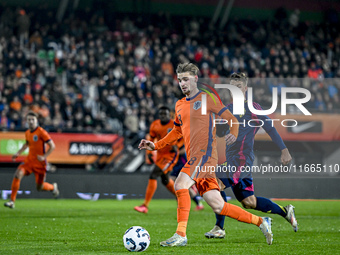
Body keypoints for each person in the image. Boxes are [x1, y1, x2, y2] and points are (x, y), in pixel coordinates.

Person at [138, 63, 273, 247]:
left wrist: (233, 133)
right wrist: (155, 145)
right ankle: (261, 222)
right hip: (198, 159)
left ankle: (180, 234)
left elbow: (231, 119)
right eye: (179, 80)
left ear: (195, 79)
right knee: (218, 205)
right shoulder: (179, 105)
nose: (182, 83)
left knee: (180, 184)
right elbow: (176, 132)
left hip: (205, 155)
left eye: (186, 79)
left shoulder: (207, 99)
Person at [205, 72, 298, 239]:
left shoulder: (252, 108)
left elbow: (270, 127)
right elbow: (220, 131)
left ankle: (219, 227)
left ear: (245, 88)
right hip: (231, 159)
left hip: (241, 160)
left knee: (215, 185)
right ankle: (285, 212)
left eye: (238, 86)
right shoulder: (227, 109)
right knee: (249, 202)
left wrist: (284, 150)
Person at [4, 111, 59, 209]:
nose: (30, 122)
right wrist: (18, 153)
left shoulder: (41, 132)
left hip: (40, 164)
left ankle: (52, 187)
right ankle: (12, 201)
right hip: (29, 161)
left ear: (36, 121)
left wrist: (44, 156)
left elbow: (52, 146)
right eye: (29, 120)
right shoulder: (27, 133)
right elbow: (27, 144)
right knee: (18, 174)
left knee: (40, 187)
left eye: (33, 119)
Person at [134, 106, 179, 213]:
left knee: (153, 175)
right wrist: (149, 152)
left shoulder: (174, 124)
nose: (163, 116)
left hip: (170, 156)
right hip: (159, 155)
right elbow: (150, 138)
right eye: (161, 114)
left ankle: (145, 205)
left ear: (169, 115)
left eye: (165, 114)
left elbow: (185, 137)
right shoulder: (155, 125)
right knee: (165, 180)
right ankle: (181, 197)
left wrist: (178, 146)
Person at [170, 141, 204, 211]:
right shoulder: (171, 141)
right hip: (175, 165)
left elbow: (183, 150)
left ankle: (198, 204)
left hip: (182, 164)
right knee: (174, 184)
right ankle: (181, 204)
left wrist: (176, 152)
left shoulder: (179, 140)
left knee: (179, 185)